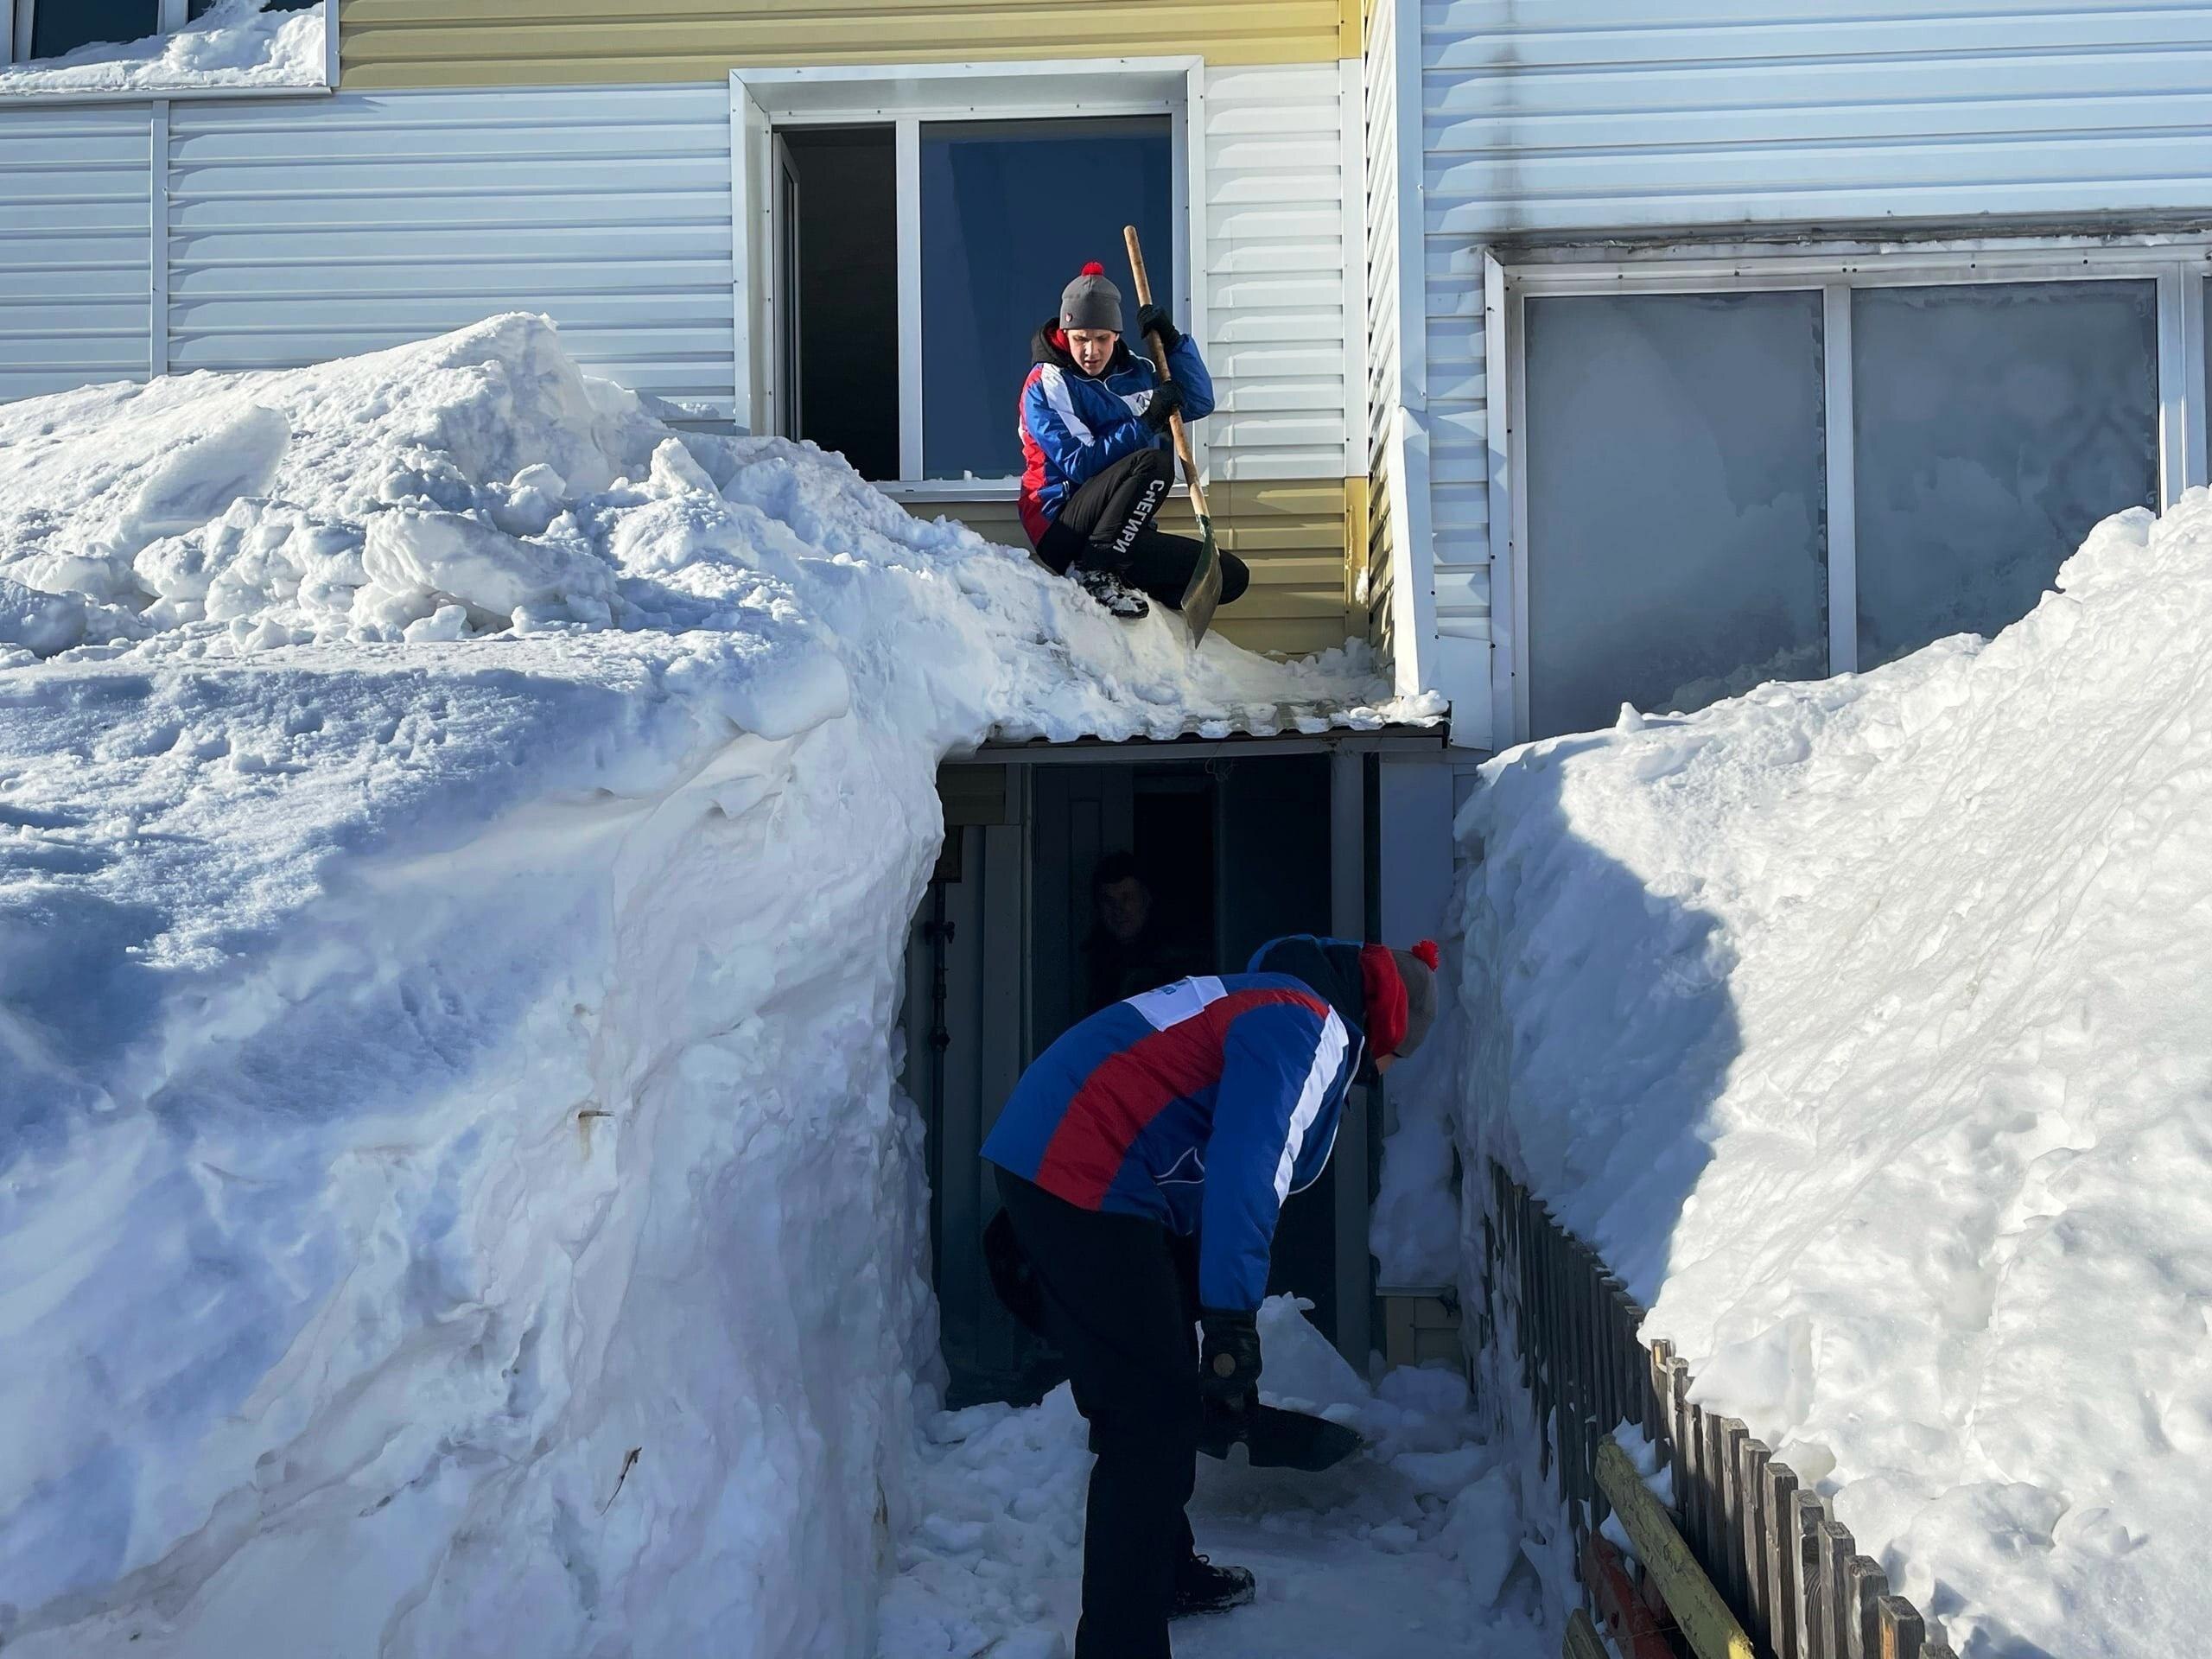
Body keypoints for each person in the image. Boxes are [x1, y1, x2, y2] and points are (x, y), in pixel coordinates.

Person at [981, 933, 1441, 1658]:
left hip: (1076, 1155)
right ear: (1387, 1026)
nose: (1383, 1074)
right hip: (1085, 1163)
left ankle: (1164, 1573)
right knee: (1151, 1413)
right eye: (1397, 1058)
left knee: (1152, 1390)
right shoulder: (1309, 1027)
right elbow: (1247, 1167)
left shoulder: (1268, 1003)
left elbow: (1195, 1146)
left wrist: (1201, 1315)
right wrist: (1230, 1322)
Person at [1018, 260, 1251, 621]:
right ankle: (1095, 571)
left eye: (1101, 339)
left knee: (1229, 577)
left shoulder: (1137, 373)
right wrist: (1146, 423)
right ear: (1065, 333)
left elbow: (1198, 401)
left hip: (1121, 534)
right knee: (1155, 462)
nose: (1091, 351)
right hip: (1062, 524)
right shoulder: (1047, 382)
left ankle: (1139, 594)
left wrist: (1173, 342)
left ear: (1116, 335)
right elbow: (1080, 463)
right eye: (1081, 339)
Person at [1084, 851, 1206, 1014]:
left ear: (1146, 899)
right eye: (1109, 901)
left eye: (1127, 898)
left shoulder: (1177, 958)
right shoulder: (1098, 958)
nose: (1118, 910)